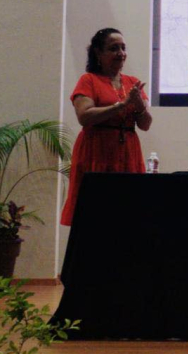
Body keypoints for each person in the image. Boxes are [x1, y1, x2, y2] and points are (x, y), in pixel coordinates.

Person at [61, 28, 152, 226]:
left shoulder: (133, 83)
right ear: (98, 53)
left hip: (128, 151)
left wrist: (139, 106)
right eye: (114, 48)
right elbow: (84, 117)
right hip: (96, 150)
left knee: (127, 214)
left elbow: (145, 125)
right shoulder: (89, 80)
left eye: (123, 48)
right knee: (94, 212)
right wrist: (121, 105)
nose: (121, 53)